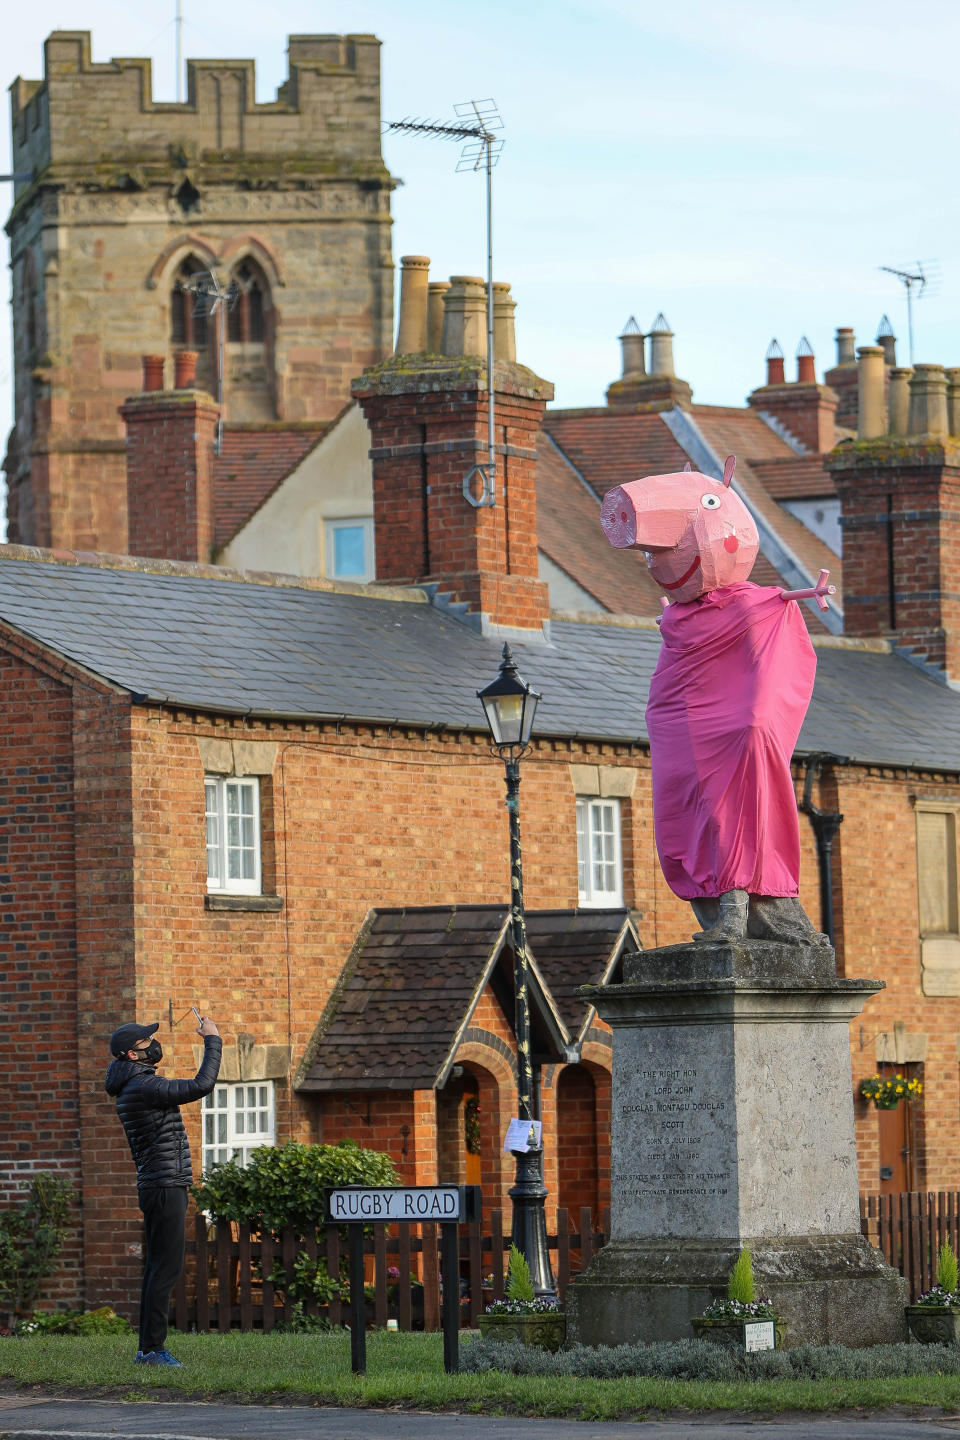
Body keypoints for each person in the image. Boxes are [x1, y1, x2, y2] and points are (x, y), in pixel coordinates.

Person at [105, 1014, 222, 1367]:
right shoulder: (145, 1088)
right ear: (131, 1055)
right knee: (166, 1269)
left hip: (158, 1184)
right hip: (165, 1185)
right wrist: (212, 1040)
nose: (152, 1046)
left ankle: (147, 1348)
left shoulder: (133, 1085)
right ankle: (152, 1349)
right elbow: (202, 1085)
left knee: (157, 1268)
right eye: (144, 1044)